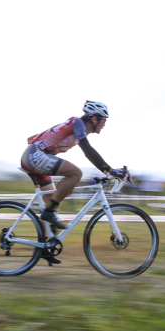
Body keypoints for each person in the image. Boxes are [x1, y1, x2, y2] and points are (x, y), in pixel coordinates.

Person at [21, 100, 129, 244]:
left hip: (34, 156)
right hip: (35, 156)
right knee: (76, 173)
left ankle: (45, 245)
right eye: (104, 120)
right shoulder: (78, 123)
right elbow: (88, 151)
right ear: (94, 118)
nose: (105, 124)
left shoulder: (77, 128)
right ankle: (49, 214)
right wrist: (110, 170)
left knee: (54, 199)